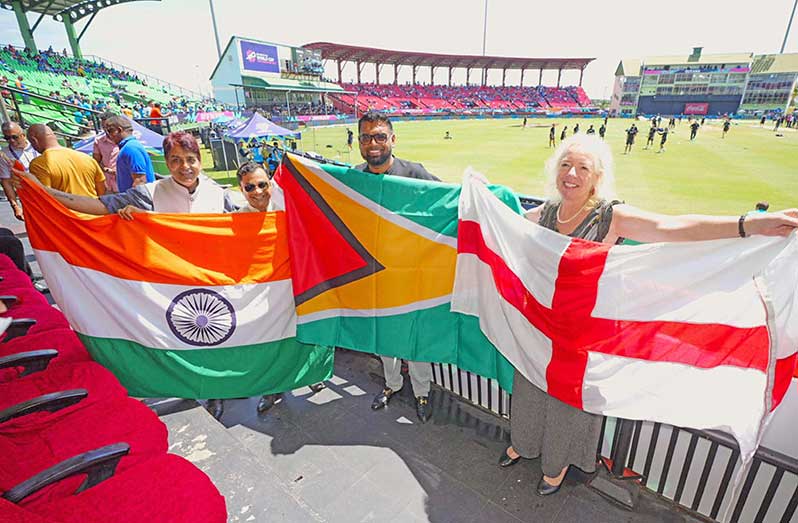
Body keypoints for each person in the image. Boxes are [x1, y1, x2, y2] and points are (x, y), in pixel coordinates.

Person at [498, 134, 798, 496]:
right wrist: (474, 199)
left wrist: (748, 225)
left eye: (582, 167)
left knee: (568, 401)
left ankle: (555, 465)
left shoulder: (610, 215)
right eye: (565, 164)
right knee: (529, 384)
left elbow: (672, 228)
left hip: (581, 338)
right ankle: (524, 443)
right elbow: (502, 221)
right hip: (539, 326)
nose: (572, 174)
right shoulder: (543, 213)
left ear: (597, 176)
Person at [354, 111, 438, 422]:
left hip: (411, 275)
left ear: (392, 139)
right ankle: (392, 385)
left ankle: (422, 392)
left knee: (414, 339)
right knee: (385, 338)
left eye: (378, 136)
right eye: (366, 137)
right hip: (374, 277)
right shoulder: (355, 178)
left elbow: (448, 202)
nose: (372, 143)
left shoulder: (414, 173)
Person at [27, 124, 105, 198]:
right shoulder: (87, 158)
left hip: (64, 211)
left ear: (34, 141)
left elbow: (45, 196)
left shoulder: (39, 164)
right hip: (94, 209)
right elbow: (101, 189)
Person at [105, 115, 155, 193]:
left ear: (118, 130)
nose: (108, 136)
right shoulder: (128, 147)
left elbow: (140, 180)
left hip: (137, 202)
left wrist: (132, 202)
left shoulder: (131, 148)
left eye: (109, 131)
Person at [0, 122, 39, 221]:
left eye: (14, 137)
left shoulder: (38, 146)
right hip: (28, 197)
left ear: (23, 135)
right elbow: (6, 182)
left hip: (49, 192)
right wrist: (15, 206)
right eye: (7, 138)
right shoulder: (4, 155)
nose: (11, 141)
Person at [93, 112, 120, 193]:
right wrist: (106, 170)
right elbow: (96, 161)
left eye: (108, 127)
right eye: (103, 127)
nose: (106, 130)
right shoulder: (99, 141)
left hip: (123, 183)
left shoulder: (126, 141)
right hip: (107, 185)